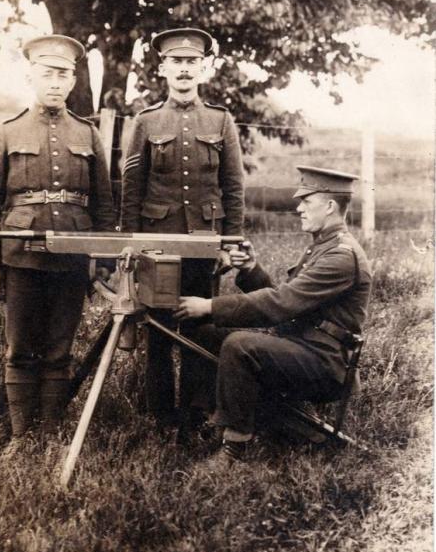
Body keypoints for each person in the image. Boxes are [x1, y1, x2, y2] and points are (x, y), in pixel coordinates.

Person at [175, 166, 372, 464]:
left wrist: (210, 306)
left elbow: (280, 304)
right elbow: (290, 305)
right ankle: (207, 417)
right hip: (305, 348)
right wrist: (250, 269)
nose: (298, 208)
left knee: (240, 345)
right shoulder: (323, 247)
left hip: (326, 365)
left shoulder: (340, 256)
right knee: (205, 333)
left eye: (307, 202)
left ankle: (234, 448)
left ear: (330, 206)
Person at [0, 34, 116, 450]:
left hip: (73, 255)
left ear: (73, 81)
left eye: (64, 74)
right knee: (21, 347)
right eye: (47, 74)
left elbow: (104, 203)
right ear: (31, 76)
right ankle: (22, 435)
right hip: (20, 254)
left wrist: (102, 258)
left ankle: (51, 433)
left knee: (59, 347)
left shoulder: (87, 134)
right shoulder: (5, 132)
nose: (56, 82)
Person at [120, 27, 244, 431]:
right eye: (177, 62)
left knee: (200, 327)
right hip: (156, 245)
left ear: (204, 69)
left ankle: (195, 413)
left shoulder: (221, 121)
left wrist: (229, 243)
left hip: (204, 243)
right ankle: (160, 415)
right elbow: (132, 189)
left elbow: (233, 189)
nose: (185, 70)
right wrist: (132, 244)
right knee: (157, 330)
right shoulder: (146, 122)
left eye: (192, 63)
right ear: (163, 69)